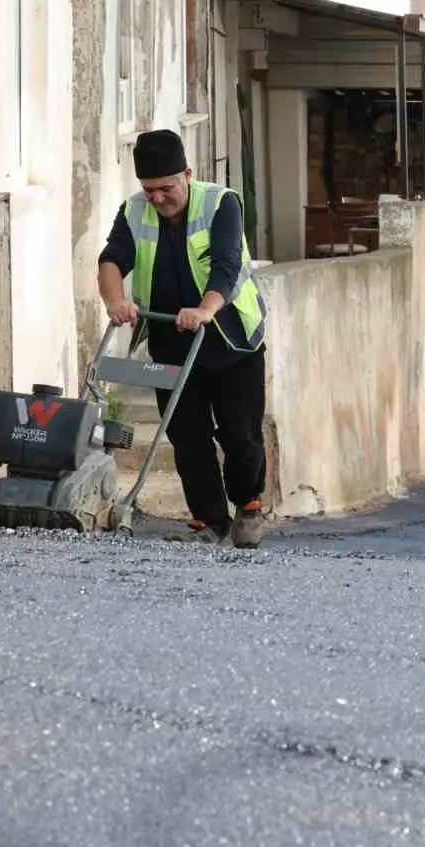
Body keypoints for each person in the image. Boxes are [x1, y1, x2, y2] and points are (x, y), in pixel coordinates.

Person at [96, 129, 270, 548]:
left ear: (187, 174)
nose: (157, 198)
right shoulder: (134, 212)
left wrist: (205, 310)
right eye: (148, 189)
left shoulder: (220, 203)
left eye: (165, 188)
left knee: (239, 434)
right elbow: (111, 258)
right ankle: (208, 520)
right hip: (170, 342)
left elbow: (226, 265)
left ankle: (248, 504)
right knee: (185, 434)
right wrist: (116, 300)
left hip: (231, 341)